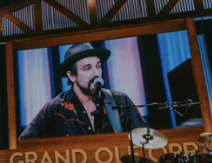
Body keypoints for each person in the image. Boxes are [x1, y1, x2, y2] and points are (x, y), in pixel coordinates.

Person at [19, 43, 149, 139]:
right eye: (87, 68)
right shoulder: (54, 108)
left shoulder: (120, 101)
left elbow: (147, 141)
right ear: (71, 76)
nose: (96, 73)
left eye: (98, 66)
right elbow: (23, 144)